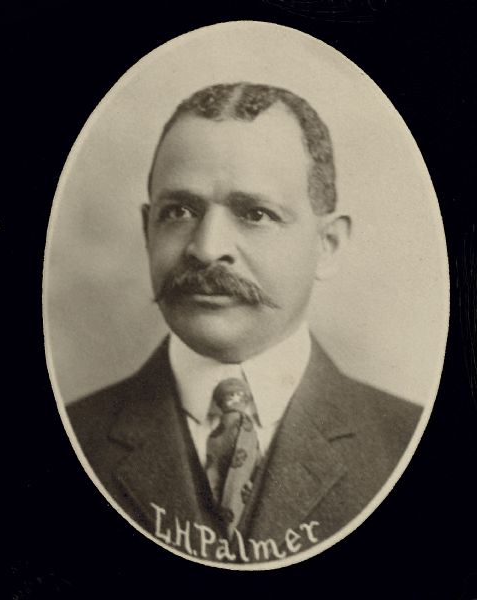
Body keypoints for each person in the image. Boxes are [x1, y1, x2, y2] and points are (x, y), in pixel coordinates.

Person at [67, 82, 422, 564]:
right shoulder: (66, 439)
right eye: (179, 212)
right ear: (147, 230)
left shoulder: (411, 443)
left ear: (328, 244)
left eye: (255, 213)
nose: (207, 248)